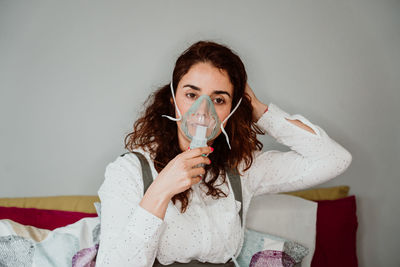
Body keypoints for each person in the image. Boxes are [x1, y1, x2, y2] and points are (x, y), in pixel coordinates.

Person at [95, 41, 352, 267]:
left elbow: (333, 159)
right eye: (191, 94)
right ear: (173, 99)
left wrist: (259, 109)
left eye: (218, 100)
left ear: (233, 109)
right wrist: (161, 190)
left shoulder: (241, 168)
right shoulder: (128, 172)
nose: (202, 111)